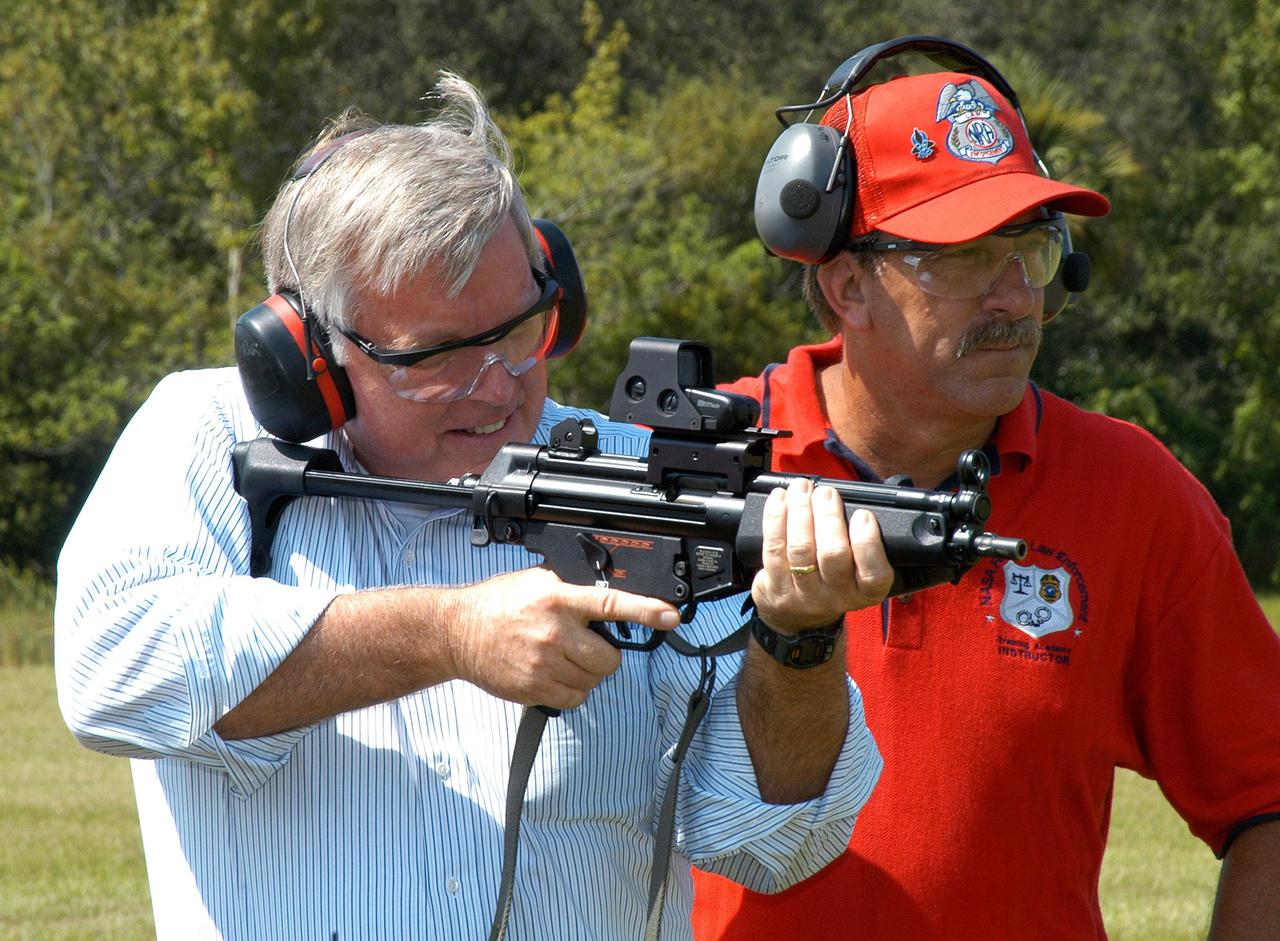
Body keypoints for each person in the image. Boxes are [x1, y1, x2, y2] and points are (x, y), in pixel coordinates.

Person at [54, 73, 892, 941]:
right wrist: (449, 635)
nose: (500, 386)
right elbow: (115, 672)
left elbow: (771, 840)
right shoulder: (203, 430)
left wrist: (798, 642)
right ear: (311, 354)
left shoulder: (635, 473)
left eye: (521, 330)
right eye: (438, 357)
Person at [691, 52, 1280, 941]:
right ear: (846, 284)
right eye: (964, 256)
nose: (1015, 299)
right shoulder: (694, 468)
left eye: (1030, 251)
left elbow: (1267, 796)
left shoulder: (1137, 495)